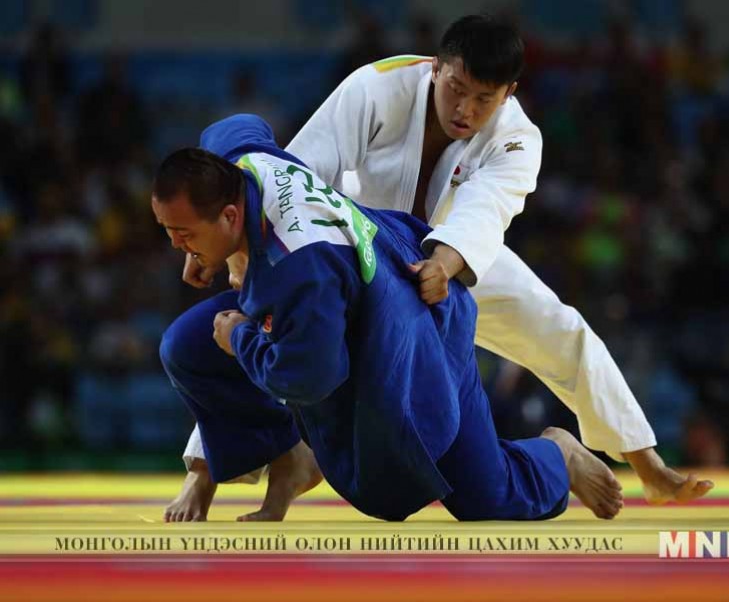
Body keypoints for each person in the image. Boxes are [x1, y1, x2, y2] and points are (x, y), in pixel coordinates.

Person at [171, 14, 713, 520]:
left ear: (508, 93)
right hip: (358, 256)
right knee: (236, 323)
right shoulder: (375, 88)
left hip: (453, 261)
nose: (465, 110)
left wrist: (446, 261)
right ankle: (206, 468)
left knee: (557, 325)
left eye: (484, 99)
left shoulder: (517, 138)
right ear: (436, 68)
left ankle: (646, 463)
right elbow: (293, 177)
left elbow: (486, 209)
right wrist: (231, 250)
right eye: (456, 88)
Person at [155, 114, 623, 522]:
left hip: (416, 337)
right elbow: (236, 125)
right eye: (171, 232)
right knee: (186, 348)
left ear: (230, 216)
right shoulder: (243, 162)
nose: (177, 246)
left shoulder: (299, 268)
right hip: (366, 294)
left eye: (183, 234)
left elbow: (309, 378)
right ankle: (289, 457)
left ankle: (557, 456)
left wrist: (240, 337)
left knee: (485, 497)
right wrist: (213, 250)